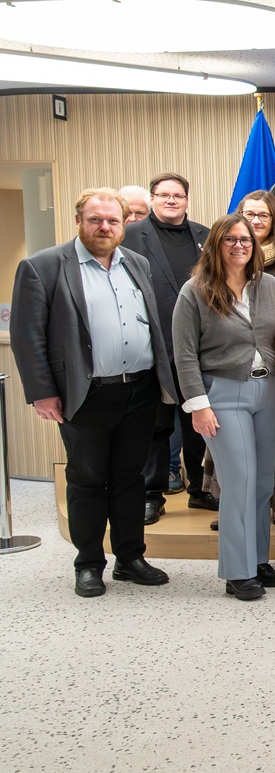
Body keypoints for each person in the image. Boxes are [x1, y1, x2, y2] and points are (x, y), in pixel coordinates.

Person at [11, 188, 177, 597]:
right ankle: (88, 564)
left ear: (124, 225)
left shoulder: (136, 263)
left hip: (139, 389)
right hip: (85, 394)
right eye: (95, 219)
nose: (104, 227)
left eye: (112, 221)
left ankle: (130, 558)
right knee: (86, 480)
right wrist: (42, 392)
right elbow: (27, 336)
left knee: (130, 477)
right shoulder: (44, 266)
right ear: (78, 221)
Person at [173, 213, 275, 601]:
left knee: (262, 482)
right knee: (238, 481)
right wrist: (198, 405)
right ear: (215, 245)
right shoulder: (195, 290)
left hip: (270, 390)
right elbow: (184, 355)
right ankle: (237, 571)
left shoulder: (268, 286)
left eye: (245, 240)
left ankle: (257, 560)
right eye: (230, 239)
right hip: (222, 395)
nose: (239, 246)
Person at [120, 172, 214, 522]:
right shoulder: (130, 236)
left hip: (199, 346)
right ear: (152, 199)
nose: (171, 200)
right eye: (164, 195)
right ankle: (152, 494)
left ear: (187, 200)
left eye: (178, 195)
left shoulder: (205, 236)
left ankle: (200, 490)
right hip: (153, 345)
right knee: (156, 425)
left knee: (199, 421)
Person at [237, 190, 275, 281]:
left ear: (274, 219)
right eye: (249, 214)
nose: (256, 221)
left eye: (263, 216)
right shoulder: (227, 250)